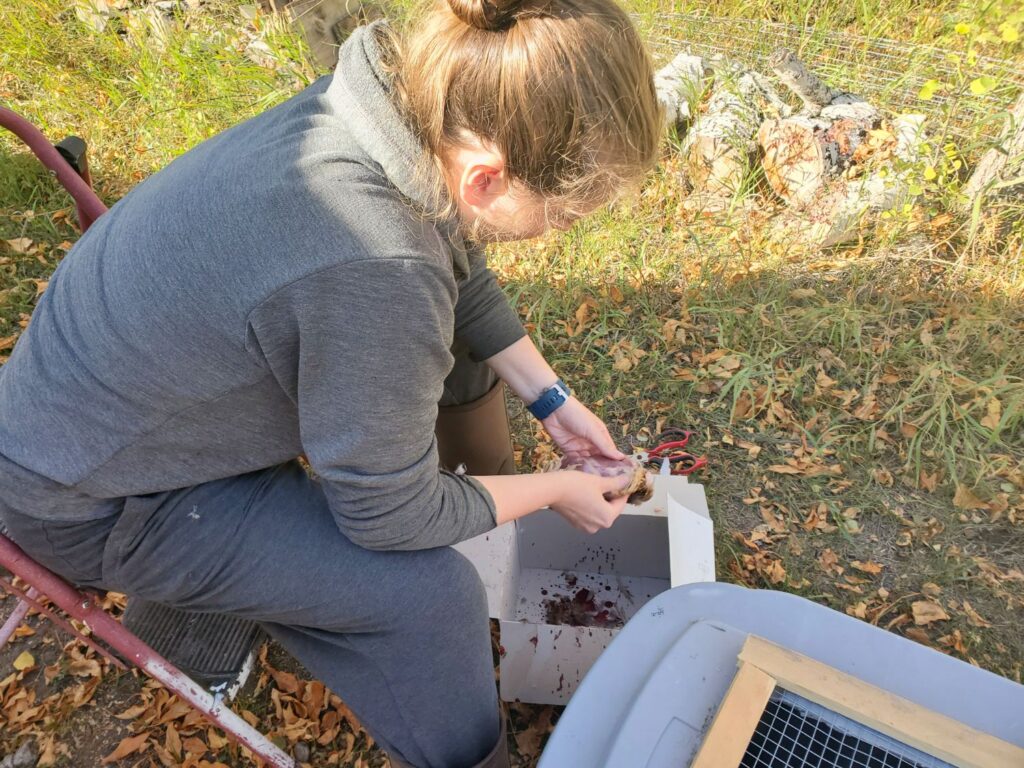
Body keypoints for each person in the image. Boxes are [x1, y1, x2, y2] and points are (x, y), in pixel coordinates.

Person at [0, 0, 662, 764]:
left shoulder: (395, 98)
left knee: (457, 351)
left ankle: (484, 513)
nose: (559, 229)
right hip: (95, 499)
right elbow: (386, 517)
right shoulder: (379, 263)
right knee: (431, 597)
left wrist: (554, 401)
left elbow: (454, 266)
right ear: (485, 178)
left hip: (116, 406)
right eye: (564, 216)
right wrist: (556, 489)